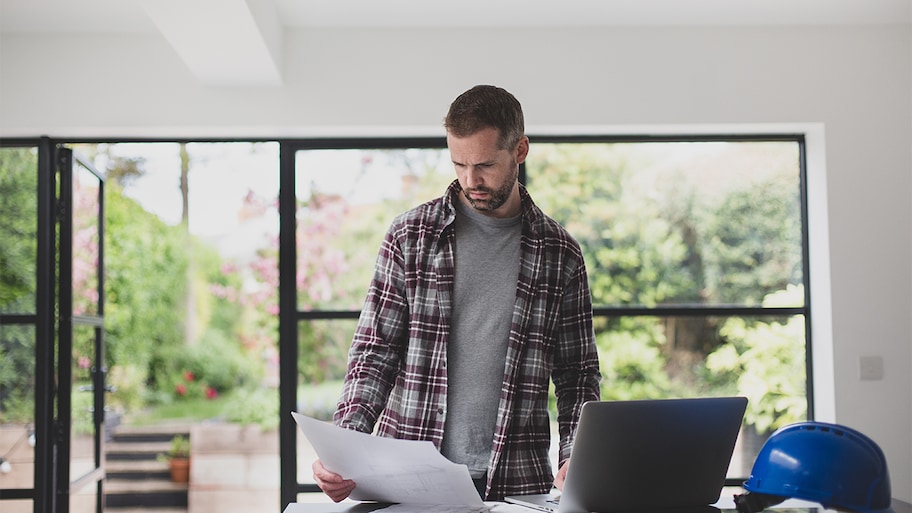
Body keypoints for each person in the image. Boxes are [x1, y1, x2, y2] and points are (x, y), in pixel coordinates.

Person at [312, 84, 601, 502]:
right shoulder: (410, 236)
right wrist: (345, 448)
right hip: (408, 476)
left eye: (484, 164)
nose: (470, 180)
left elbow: (577, 375)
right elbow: (375, 354)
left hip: (517, 482)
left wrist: (577, 454)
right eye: (459, 164)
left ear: (520, 150)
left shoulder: (560, 253)